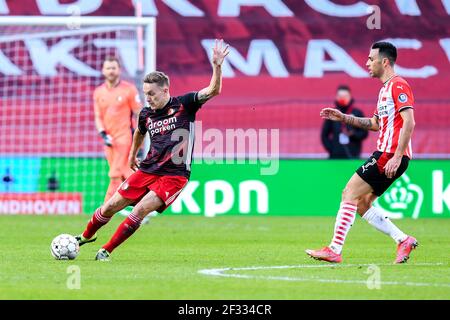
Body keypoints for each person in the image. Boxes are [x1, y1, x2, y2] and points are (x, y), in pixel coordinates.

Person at [76, 39, 230, 261]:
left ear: (165, 90)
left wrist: (217, 66)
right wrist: (132, 157)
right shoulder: (146, 114)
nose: (147, 98)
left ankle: (106, 251)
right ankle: (84, 236)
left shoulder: (185, 104)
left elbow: (213, 90)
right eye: (145, 93)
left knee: (139, 210)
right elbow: (139, 132)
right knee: (110, 206)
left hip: (174, 176)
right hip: (148, 169)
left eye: (152, 94)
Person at [306, 41, 418, 264]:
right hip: (390, 155)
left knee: (349, 193)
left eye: (370, 59)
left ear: (384, 62)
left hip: (388, 154)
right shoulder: (384, 89)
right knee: (362, 203)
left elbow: (410, 122)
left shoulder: (398, 85)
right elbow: (375, 123)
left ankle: (335, 249)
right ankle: (402, 239)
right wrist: (343, 118)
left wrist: (396, 156)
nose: (367, 63)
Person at [93, 56, 142, 203]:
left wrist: (139, 135)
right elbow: (98, 116)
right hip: (109, 139)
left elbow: (138, 112)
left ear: (119, 70)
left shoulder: (129, 89)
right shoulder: (98, 92)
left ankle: (106, 208)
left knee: (115, 173)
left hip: (125, 137)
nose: (111, 71)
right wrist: (103, 133)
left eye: (113, 68)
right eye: (108, 68)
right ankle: (142, 203)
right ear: (103, 70)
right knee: (126, 173)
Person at [321, 85, 368, 159]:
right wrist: (332, 149)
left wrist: (353, 134)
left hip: (353, 155)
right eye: (340, 96)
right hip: (335, 156)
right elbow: (324, 135)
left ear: (350, 97)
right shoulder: (331, 113)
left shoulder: (357, 113)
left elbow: (364, 133)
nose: (342, 98)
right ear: (336, 97)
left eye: (345, 96)